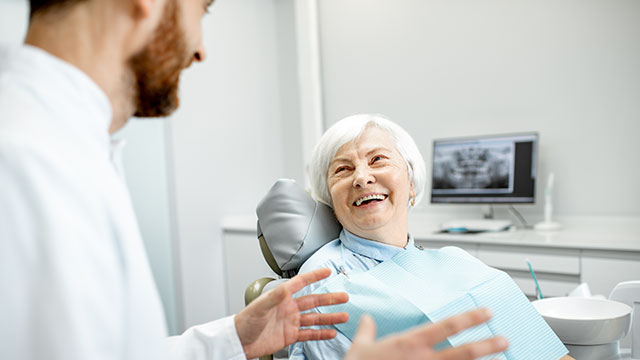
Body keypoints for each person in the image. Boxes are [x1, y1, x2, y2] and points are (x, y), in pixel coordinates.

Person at [0, 0, 508, 359]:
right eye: (204, 8)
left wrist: (233, 339)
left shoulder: (70, 147)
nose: (199, 50)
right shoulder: (26, 160)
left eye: (380, 161)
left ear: (412, 182)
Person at [290, 114, 572, 360]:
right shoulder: (322, 281)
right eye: (343, 169)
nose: (362, 178)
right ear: (329, 198)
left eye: (378, 160)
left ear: (411, 183)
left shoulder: (455, 259)